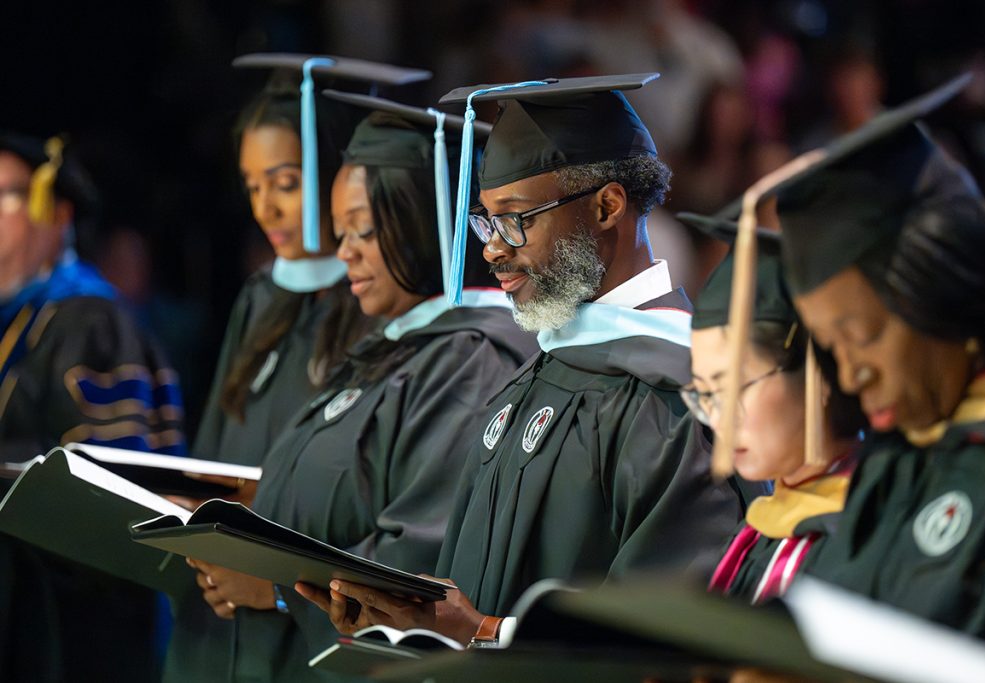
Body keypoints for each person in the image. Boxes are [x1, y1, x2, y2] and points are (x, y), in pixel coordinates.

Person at [307, 74, 743, 647]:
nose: (491, 248)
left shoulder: (679, 401)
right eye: (486, 220)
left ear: (608, 205)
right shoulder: (542, 369)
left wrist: (483, 634)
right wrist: (415, 621)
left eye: (517, 219)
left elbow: (664, 636)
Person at [186, 98, 537, 681]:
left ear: (423, 224)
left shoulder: (468, 361)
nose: (342, 249)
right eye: (340, 228)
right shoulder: (394, 347)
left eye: (363, 230)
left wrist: (275, 589)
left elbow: (416, 565)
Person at [162, 54, 428, 683]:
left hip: (301, 623)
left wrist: (277, 583)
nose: (267, 209)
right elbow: (213, 449)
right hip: (216, 609)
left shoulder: (378, 311)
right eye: (253, 186)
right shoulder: (261, 297)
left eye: (285, 183)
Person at [766, 74, 985, 652]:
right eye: (832, 348)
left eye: (866, 335)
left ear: (948, 295)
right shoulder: (894, 462)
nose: (852, 375)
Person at [0, 132, 186, 681]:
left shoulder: (88, 320)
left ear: (55, 214)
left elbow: (112, 489)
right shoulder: (17, 321)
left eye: (3, 196)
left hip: (71, 628)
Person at [678, 213, 864, 603]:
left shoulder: (870, 529)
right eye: (705, 395)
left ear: (817, 376)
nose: (718, 419)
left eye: (733, 389)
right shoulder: (759, 528)